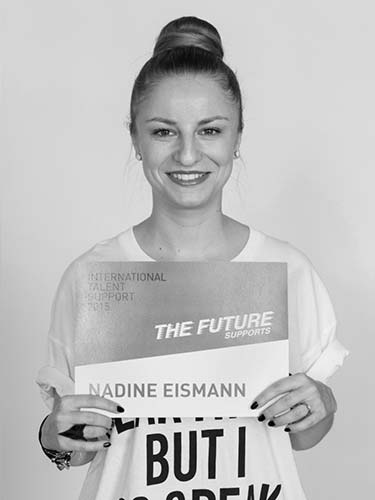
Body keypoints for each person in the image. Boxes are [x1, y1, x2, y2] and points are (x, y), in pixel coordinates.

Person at [35, 15, 349, 500]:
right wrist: (53, 437)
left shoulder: (289, 272)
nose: (186, 154)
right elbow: (76, 447)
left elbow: (304, 438)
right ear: (135, 138)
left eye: (210, 130)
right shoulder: (92, 279)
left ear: (237, 137)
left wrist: (321, 405)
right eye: (163, 131)